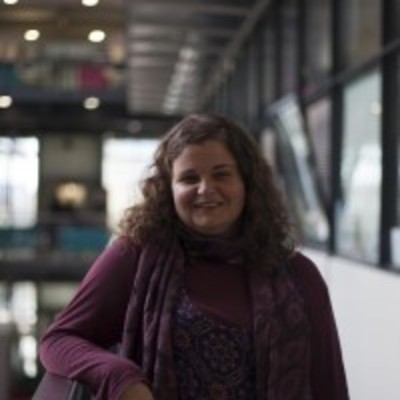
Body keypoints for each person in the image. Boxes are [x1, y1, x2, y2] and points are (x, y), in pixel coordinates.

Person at [39, 113, 349, 400]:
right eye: (189, 178)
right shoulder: (135, 256)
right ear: (168, 189)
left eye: (221, 174)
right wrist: (120, 376)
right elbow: (58, 340)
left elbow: (330, 387)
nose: (205, 189)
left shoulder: (299, 276)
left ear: (247, 183)